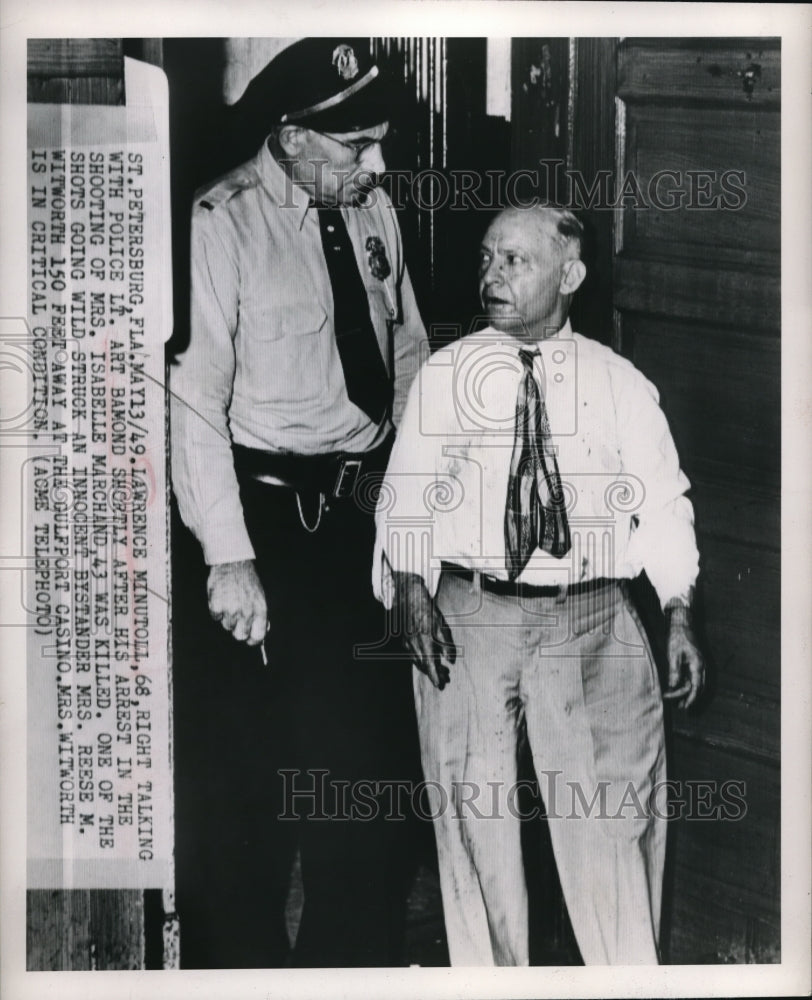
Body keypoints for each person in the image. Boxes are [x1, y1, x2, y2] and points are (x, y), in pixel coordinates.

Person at [373, 204, 705, 965]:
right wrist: (412, 588)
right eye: (487, 259)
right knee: (473, 826)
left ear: (570, 275)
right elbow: (407, 493)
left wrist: (679, 610)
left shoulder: (619, 384)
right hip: (468, 619)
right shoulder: (447, 376)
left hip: (590, 624)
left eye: (515, 261)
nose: (491, 276)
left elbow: (663, 502)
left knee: (614, 832)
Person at [170, 38, 428, 968]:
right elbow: (193, 402)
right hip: (265, 531)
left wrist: (414, 522)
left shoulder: (371, 208)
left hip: (362, 523)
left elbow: (410, 359)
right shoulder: (220, 222)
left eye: (379, 142)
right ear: (290, 137)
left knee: (367, 788)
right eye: (357, 145)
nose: (378, 164)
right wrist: (229, 558)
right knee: (248, 796)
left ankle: (347, 975)